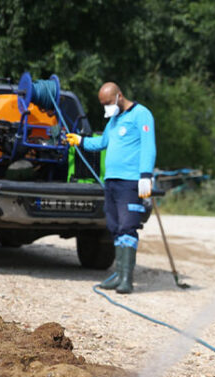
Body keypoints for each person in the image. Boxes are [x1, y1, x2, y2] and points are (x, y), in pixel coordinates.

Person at [66, 82, 156, 294]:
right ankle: (118, 274)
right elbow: (102, 143)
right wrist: (80, 141)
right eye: (103, 104)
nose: (106, 107)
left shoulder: (141, 114)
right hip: (112, 181)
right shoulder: (114, 120)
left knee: (128, 226)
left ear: (119, 96)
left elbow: (148, 145)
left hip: (130, 181)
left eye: (108, 103)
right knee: (115, 227)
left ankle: (127, 278)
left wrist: (146, 175)